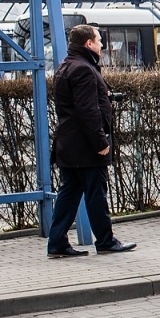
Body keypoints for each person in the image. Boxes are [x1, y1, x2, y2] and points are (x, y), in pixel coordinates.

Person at [46, 24, 137, 257]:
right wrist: (100, 142)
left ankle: (57, 243)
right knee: (96, 194)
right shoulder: (84, 70)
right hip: (86, 147)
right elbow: (88, 111)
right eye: (98, 40)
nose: (102, 45)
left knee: (69, 194)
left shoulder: (66, 67)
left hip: (69, 145)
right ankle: (105, 241)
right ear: (88, 44)